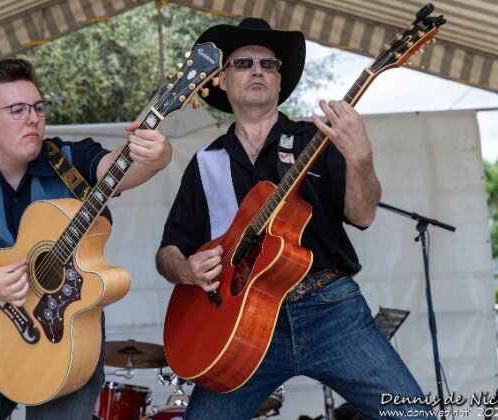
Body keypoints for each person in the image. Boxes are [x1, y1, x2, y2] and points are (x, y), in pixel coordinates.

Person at [156, 18, 434, 419]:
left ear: (279, 80)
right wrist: (185, 269)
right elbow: (169, 250)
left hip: (329, 310)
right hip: (240, 325)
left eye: (268, 64)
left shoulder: (315, 139)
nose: (257, 70)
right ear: (223, 81)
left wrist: (360, 157)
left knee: (414, 416)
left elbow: (363, 214)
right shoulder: (206, 162)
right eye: (244, 63)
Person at [0, 58, 171, 419]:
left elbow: (118, 167)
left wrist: (156, 156)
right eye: (17, 110)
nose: (34, 118)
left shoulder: (70, 159)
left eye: (38, 107)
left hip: (69, 330)